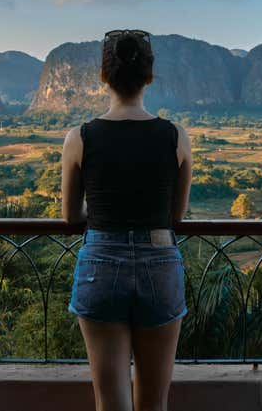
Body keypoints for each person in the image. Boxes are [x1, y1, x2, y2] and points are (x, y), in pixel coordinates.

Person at [61, 29, 193, 411]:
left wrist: (105, 216)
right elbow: (176, 216)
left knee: (110, 403)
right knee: (154, 404)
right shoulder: (175, 136)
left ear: (104, 77)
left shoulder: (79, 137)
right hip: (160, 259)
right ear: (149, 77)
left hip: (100, 260)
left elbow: (71, 215)